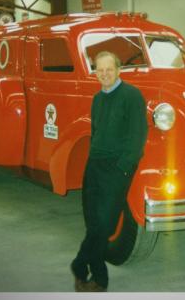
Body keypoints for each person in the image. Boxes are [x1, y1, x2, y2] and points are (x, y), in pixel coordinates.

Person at [70, 51, 148, 292]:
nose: (104, 74)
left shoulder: (132, 96)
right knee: (94, 224)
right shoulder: (97, 99)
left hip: (116, 169)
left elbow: (138, 136)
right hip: (94, 166)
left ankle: (79, 263)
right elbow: (96, 131)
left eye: (109, 69)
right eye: (99, 70)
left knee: (105, 225)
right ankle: (97, 279)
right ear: (95, 72)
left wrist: (124, 169)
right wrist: (92, 159)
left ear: (118, 70)